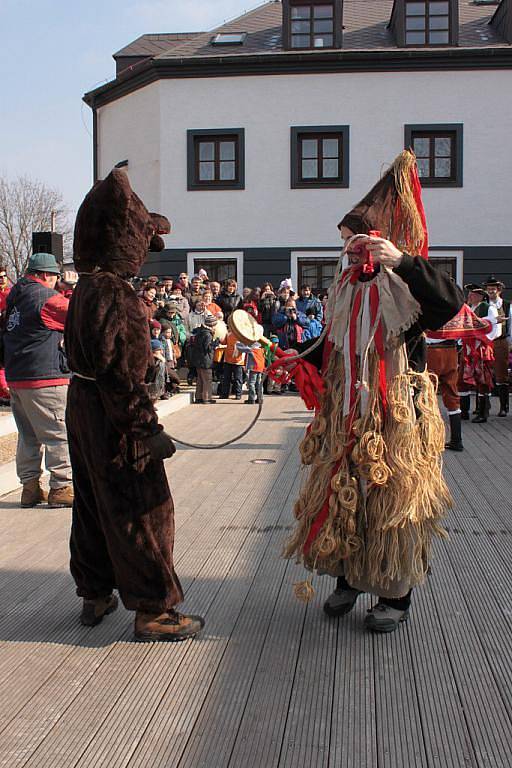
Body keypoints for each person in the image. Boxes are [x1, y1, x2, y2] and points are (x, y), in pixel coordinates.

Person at [284, 150, 463, 633]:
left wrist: (404, 261)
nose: (346, 250)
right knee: (345, 495)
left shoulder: (405, 287)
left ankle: (395, 596)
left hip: (395, 418)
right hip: (346, 416)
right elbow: (336, 346)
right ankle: (347, 579)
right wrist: (300, 357)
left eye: (354, 241)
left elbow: (449, 300)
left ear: (379, 244)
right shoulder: (342, 288)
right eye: (344, 241)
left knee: (391, 504)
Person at [66, 168, 204, 641]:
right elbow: (121, 377)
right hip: (114, 419)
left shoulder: (84, 287)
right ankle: (154, 609)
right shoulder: (116, 294)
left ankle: (95, 592)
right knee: (141, 509)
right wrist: (148, 429)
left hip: (82, 406)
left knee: (90, 503)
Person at [4, 252, 74, 508]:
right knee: (58, 433)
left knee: (28, 435)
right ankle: (61, 487)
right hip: (45, 377)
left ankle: (30, 488)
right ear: (47, 275)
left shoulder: (16, 295)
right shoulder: (46, 298)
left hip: (18, 377)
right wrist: (73, 291)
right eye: (56, 276)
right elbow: (79, 316)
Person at [482, 275, 511, 417]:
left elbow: (511, 326)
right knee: (483, 373)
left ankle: (504, 407)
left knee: (501, 374)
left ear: (499, 290)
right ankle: (483, 407)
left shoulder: (507, 305)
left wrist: (509, 343)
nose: (491, 291)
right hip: (486, 341)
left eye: (493, 289)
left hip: (501, 342)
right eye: (489, 289)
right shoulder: (483, 305)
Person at [188, 315, 217, 404]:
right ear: (212, 325)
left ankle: (198, 397)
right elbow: (207, 348)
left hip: (198, 360)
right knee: (207, 380)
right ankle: (207, 398)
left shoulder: (199, 332)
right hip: (205, 361)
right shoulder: (208, 334)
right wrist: (215, 343)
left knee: (200, 380)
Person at [218, 330, 245, 400]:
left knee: (236, 379)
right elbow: (224, 342)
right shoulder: (229, 333)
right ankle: (226, 394)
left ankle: (237, 394)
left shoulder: (241, 334)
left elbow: (244, 346)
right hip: (229, 360)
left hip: (237, 361)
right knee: (228, 378)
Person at [0, 265, 12, 405]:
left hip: (9, 332)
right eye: (0, 277)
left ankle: (7, 391)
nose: (2, 279)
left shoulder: (12, 293)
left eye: (4, 276)